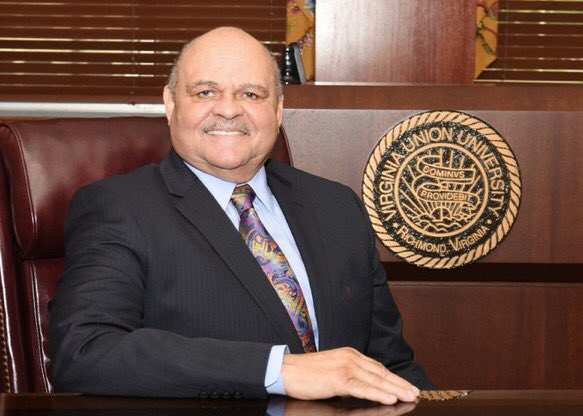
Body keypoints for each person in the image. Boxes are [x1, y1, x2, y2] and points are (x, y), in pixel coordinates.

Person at [49, 27, 432, 404]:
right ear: (170, 103)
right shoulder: (118, 208)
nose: (229, 109)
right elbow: (87, 352)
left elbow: (391, 366)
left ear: (278, 109)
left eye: (251, 94)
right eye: (205, 92)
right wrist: (278, 369)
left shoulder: (336, 206)